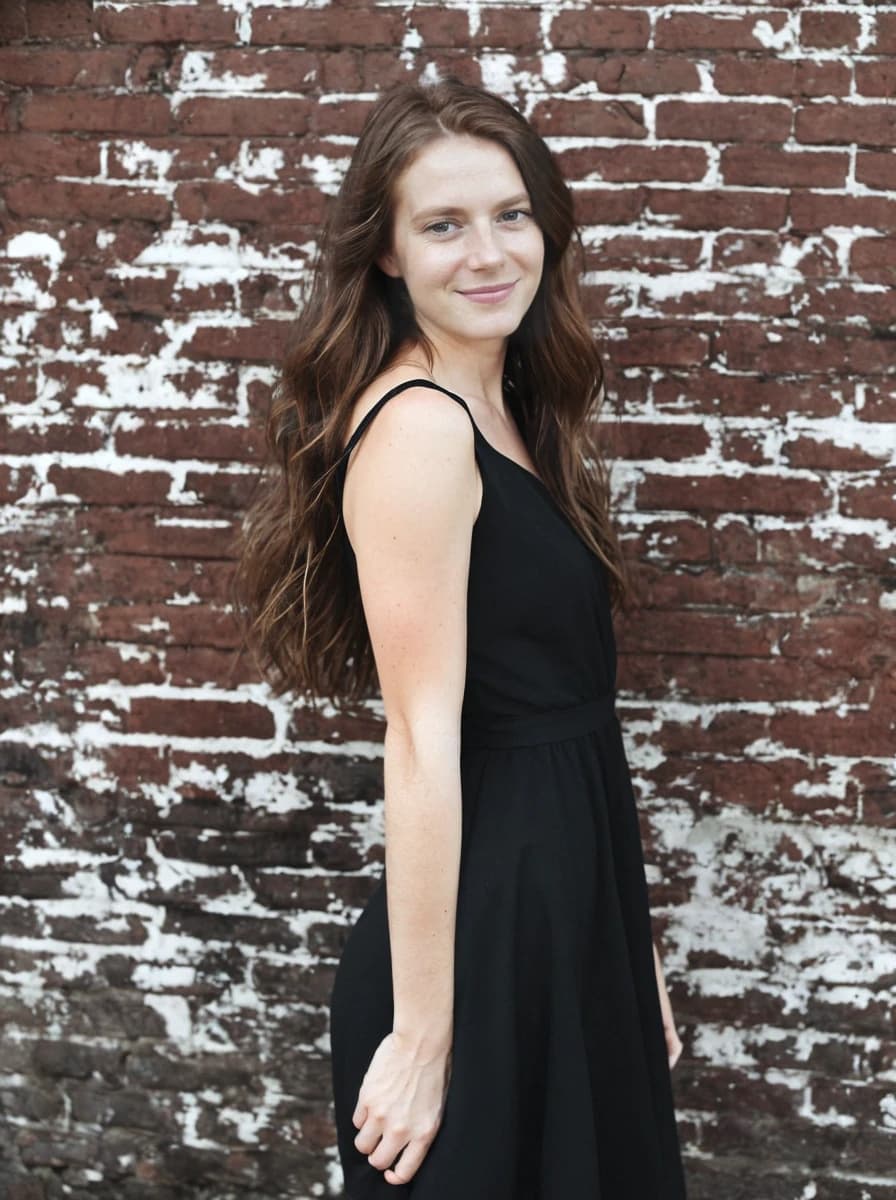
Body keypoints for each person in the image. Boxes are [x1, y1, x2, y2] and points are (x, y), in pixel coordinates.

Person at [232, 75, 687, 1199]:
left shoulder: (511, 408)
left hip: (568, 896)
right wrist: (424, 1036)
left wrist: (632, 956)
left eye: (510, 213)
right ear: (384, 252)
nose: (487, 253)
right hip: (487, 929)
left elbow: (571, 710)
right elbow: (424, 743)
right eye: (442, 224)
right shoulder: (422, 432)